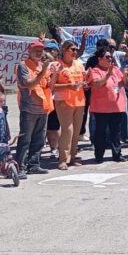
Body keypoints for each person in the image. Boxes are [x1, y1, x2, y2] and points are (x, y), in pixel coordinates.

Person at [16, 41, 53, 177]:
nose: (39, 52)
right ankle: (20, 166)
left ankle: (34, 164)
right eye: (36, 50)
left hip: (43, 107)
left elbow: (49, 86)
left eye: (41, 50)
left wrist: (54, 73)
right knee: (25, 139)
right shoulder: (23, 66)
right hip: (29, 108)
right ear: (29, 51)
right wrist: (43, 71)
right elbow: (29, 84)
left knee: (39, 139)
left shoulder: (42, 66)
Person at [86, 47, 128, 163]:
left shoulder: (115, 69)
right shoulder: (95, 70)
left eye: (111, 57)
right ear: (100, 59)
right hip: (101, 108)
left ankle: (117, 155)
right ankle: (99, 156)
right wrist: (107, 75)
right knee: (100, 133)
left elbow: (125, 83)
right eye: (107, 57)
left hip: (116, 107)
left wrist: (125, 75)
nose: (110, 59)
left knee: (116, 133)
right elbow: (96, 84)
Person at [50, 40, 86, 170]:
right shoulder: (56, 65)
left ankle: (73, 156)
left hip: (79, 100)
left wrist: (86, 82)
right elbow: (52, 86)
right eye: (72, 49)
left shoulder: (79, 64)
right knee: (68, 130)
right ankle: (63, 159)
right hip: (64, 101)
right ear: (64, 50)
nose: (75, 52)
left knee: (76, 131)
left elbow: (82, 80)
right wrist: (68, 86)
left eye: (76, 50)